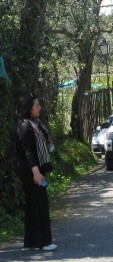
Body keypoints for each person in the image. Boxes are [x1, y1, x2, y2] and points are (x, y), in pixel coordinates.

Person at [15, 94, 57, 251]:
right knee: (40, 203)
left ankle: (32, 241)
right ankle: (44, 242)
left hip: (34, 168)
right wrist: (36, 172)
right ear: (28, 108)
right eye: (36, 105)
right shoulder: (25, 126)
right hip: (29, 169)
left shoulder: (35, 123)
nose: (39, 107)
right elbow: (28, 152)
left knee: (34, 203)